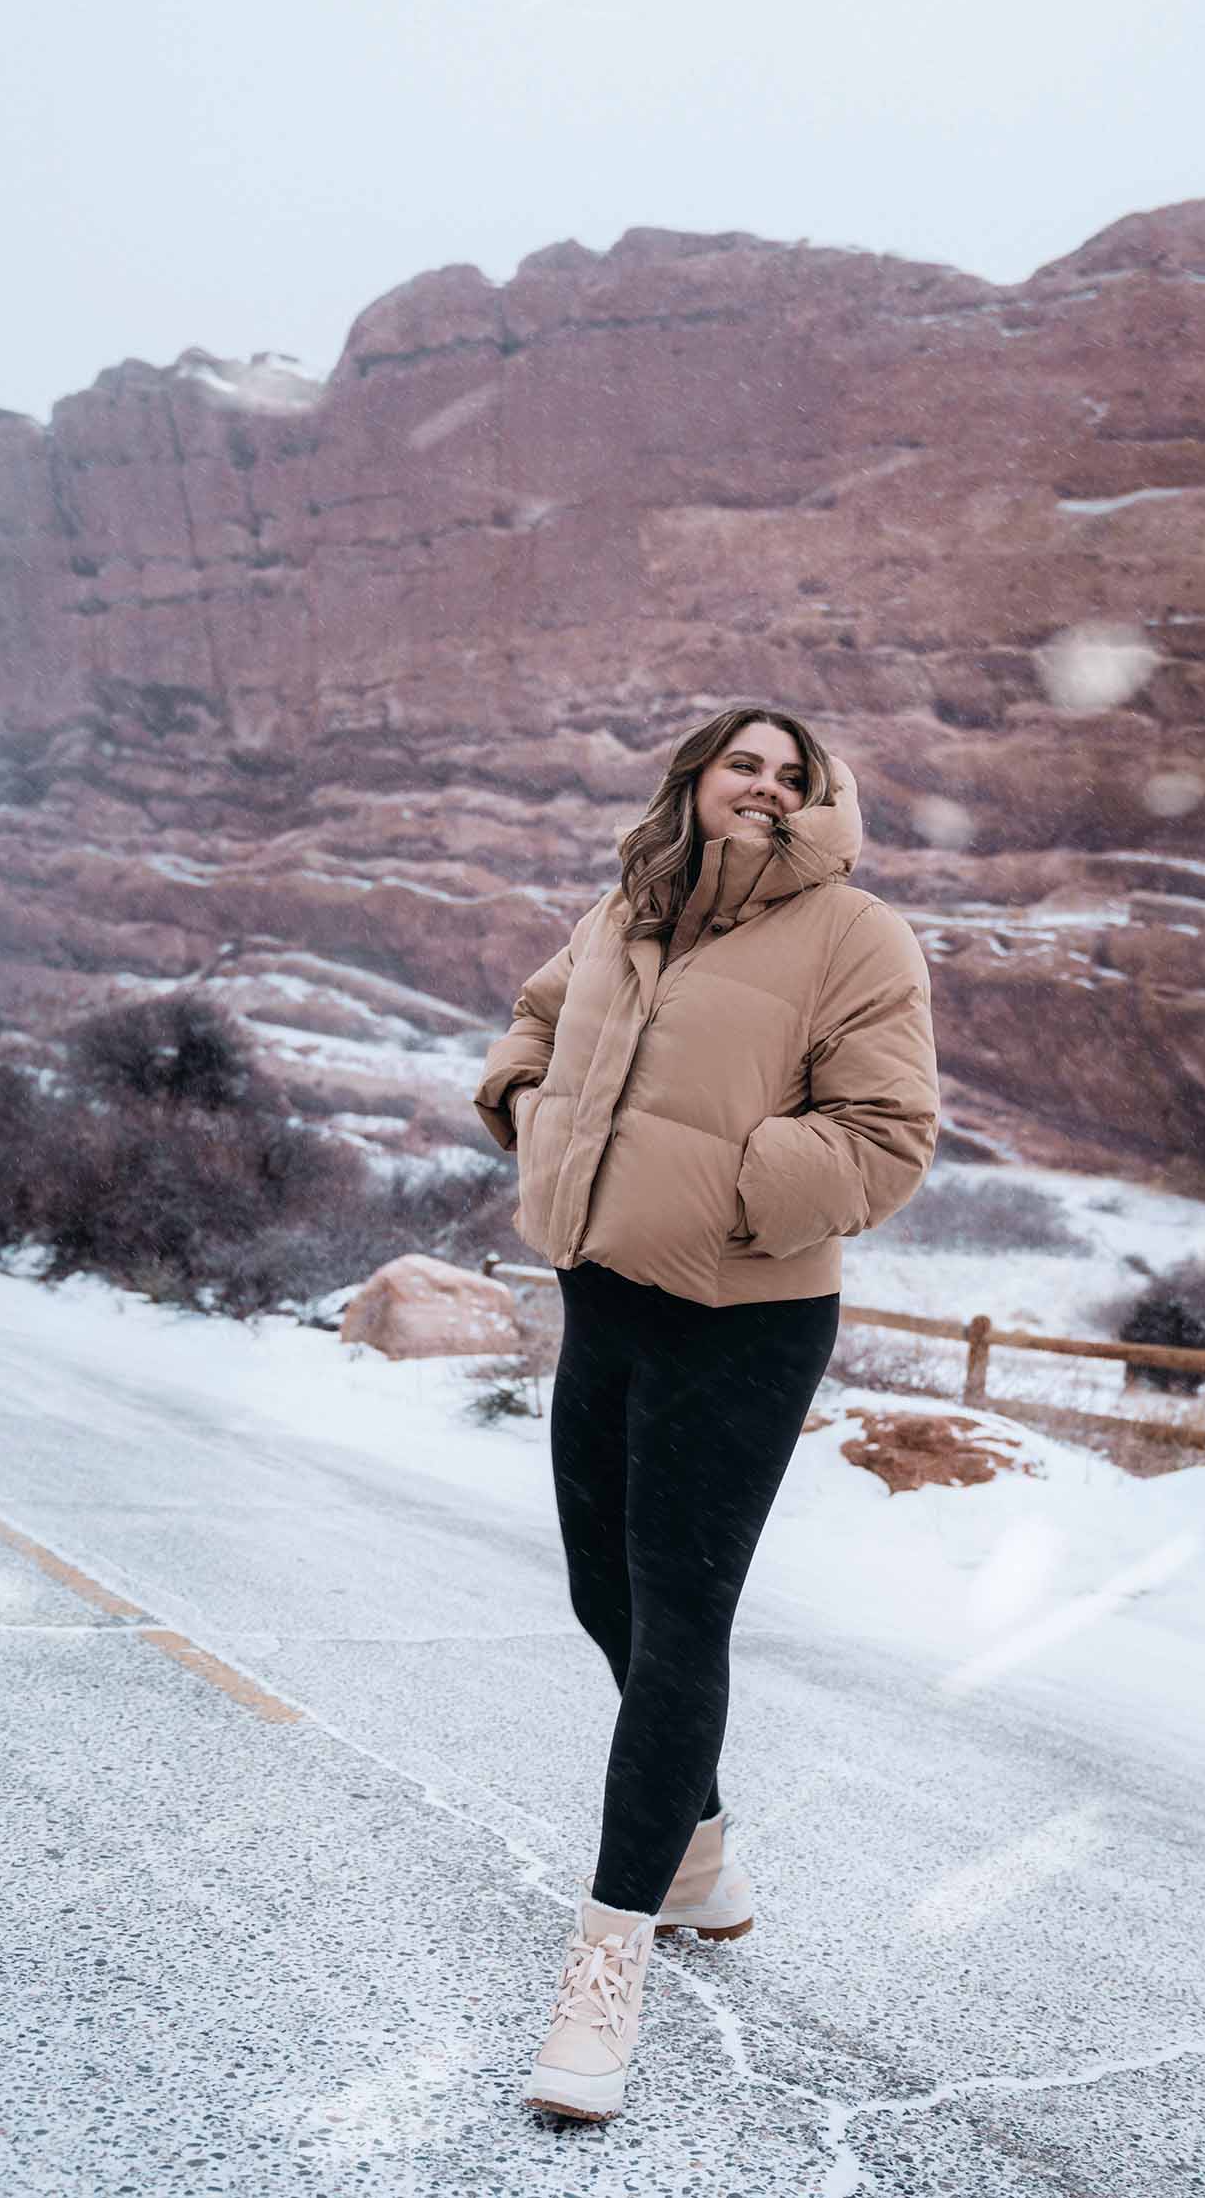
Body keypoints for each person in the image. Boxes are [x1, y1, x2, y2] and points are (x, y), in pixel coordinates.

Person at [472, 707, 940, 2121]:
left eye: (794, 776)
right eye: (746, 762)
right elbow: (543, 1023)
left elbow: (888, 1134)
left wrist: (724, 1189)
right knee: (597, 1587)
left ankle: (607, 1966)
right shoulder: (627, 903)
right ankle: (702, 1856)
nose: (767, 786)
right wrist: (528, 1106)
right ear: (697, 775)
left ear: (820, 803)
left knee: (680, 1621)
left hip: (745, 1316)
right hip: (608, 1289)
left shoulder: (857, 935)